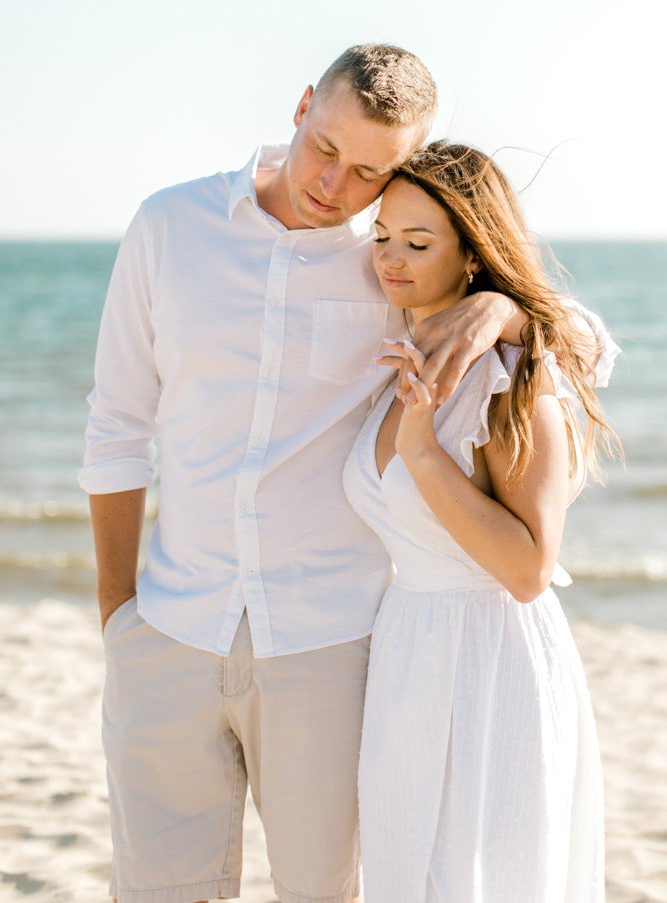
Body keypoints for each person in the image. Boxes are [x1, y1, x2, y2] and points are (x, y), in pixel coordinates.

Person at [80, 44, 613, 903]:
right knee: (153, 889)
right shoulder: (169, 225)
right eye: (326, 148)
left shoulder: (392, 253)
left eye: (370, 170)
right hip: (170, 627)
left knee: (324, 891)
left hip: (328, 640)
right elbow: (116, 427)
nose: (334, 184)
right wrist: (118, 616)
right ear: (300, 107)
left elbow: (574, 340)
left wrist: (498, 303)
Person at [343, 141, 618, 903]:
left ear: (472, 256)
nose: (390, 261)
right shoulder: (393, 356)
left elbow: (529, 570)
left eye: (418, 243)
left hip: (493, 659)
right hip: (407, 651)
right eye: (382, 238)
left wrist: (423, 452)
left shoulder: (511, 383)